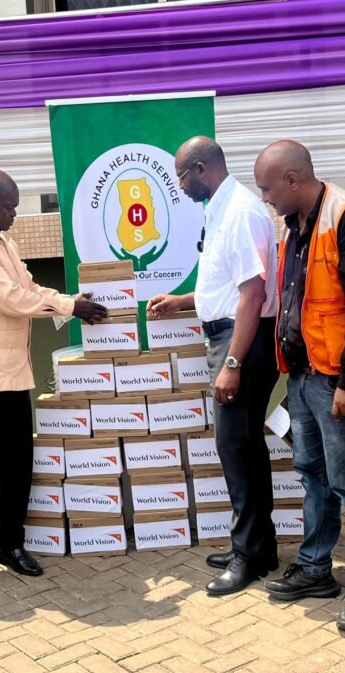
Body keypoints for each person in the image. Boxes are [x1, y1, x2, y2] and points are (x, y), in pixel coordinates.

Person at [0, 169, 107, 591]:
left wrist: (69, 302)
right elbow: (11, 299)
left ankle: (10, 545)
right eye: (8, 207)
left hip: (11, 373)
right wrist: (70, 306)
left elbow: (29, 287)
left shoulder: (5, 243)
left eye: (15, 207)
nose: (14, 214)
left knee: (17, 466)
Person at [253, 140, 345, 632]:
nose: (265, 198)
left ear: (293, 180)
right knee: (312, 473)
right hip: (305, 375)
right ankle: (315, 570)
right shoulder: (295, 226)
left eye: (268, 188)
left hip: (338, 381)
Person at [147, 136, 280, 596]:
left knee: (235, 449)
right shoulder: (221, 209)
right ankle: (259, 546)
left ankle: (249, 556)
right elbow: (227, 284)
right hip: (232, 336)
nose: (180, 187)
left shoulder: (241, 212)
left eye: (181, 177)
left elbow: (253, 296)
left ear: (201, 169)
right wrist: (184, 300)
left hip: (242, 342)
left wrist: (233, 363)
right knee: (243, 447)